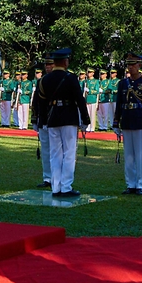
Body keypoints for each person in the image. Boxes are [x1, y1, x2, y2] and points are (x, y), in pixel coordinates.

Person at [32, 48, 89, 198]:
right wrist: (85, 118)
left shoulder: (44, 80)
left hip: (52, 119)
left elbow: (41, 103)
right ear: (65, 62)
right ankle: (66, 186)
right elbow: (79, 99)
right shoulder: (70, 78)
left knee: (55, 154)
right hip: (69, 117)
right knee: (69, 153)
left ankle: (56, 187)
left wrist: (42, 120)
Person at [113, 53, 142, 195]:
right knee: (128, 155)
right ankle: (130, 184)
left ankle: (139, 184)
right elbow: (119, 104)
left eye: (133, 64)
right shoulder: (123, 83)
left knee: (139, 154)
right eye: (129, 65)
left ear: (139, 65)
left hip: (139, 120)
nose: (130, 67)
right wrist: (116, 123)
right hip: (126, 120)